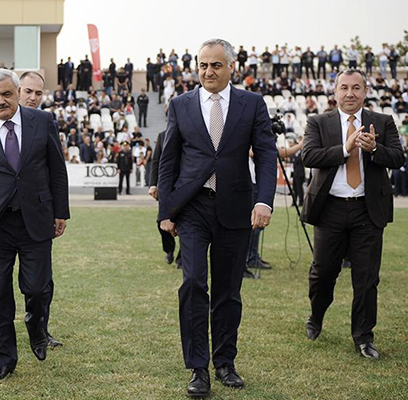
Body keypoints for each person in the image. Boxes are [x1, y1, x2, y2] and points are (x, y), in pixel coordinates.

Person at [157, 39, 277, 398]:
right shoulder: (180, 104)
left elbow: (267, 155)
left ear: (231, 67)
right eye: (203, 65)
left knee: (228, 290)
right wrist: (166, 212)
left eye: (216, 65)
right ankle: (198, 368)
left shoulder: (252, 103)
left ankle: (225, 362)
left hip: (235, 208)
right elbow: (168, 161)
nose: (209, 71)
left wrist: (264, 201)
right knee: (193, 283)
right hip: (192, 208)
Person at [0, 69, 69, 380]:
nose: (1, 101)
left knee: (38, 288)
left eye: (7, 94)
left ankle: (36, 326)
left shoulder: (42, 122)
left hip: (37, 219)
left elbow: (57, 170)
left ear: (18, 93)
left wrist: (61, 211)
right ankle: (4, 359)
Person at [301, 69, 404, 360]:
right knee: (323, 274)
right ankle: (316, 316)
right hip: (330, 209)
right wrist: (344, 150)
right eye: (344, 87)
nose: (350, 93)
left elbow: (398, 157)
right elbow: (309, 156)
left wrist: (375, 149)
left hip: (367, 211)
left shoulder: (383, 121)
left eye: (356, 88)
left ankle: (363, 336)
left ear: (365, 92)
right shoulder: (318, 122)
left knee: (367, 278)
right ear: (335, 92)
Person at [149, 131, 181, 267]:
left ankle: (182, 257)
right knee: (162, 222)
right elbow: (156, 161)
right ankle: (169, 249)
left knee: (187, 222)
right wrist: (152, 184)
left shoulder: (189, 131)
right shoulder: (162, 135)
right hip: (166, 186)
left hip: (185, 185)